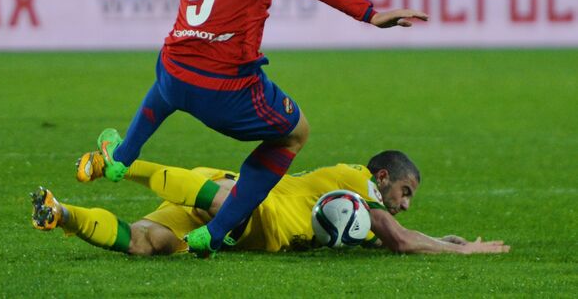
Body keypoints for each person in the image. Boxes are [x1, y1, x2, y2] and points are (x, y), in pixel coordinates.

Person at [92, 0, 429, 257]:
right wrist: (369, 13)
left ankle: (122, 157)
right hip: (226, 87)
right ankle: (216, 232)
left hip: (175, 72)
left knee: (168, 78)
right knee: (295, 131)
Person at [31, 150, 509, 255]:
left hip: (236, 215)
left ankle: (62, 213)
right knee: (224, 204)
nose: (405, 204)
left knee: (142, 243)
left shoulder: (358, 210)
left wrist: (437, 239)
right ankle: (118, 163)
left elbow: (395, 237)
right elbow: (399, 240)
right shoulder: (356, 180)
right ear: (382, 178)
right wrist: (466, 250)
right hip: (245, 203)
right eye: (405, 193)